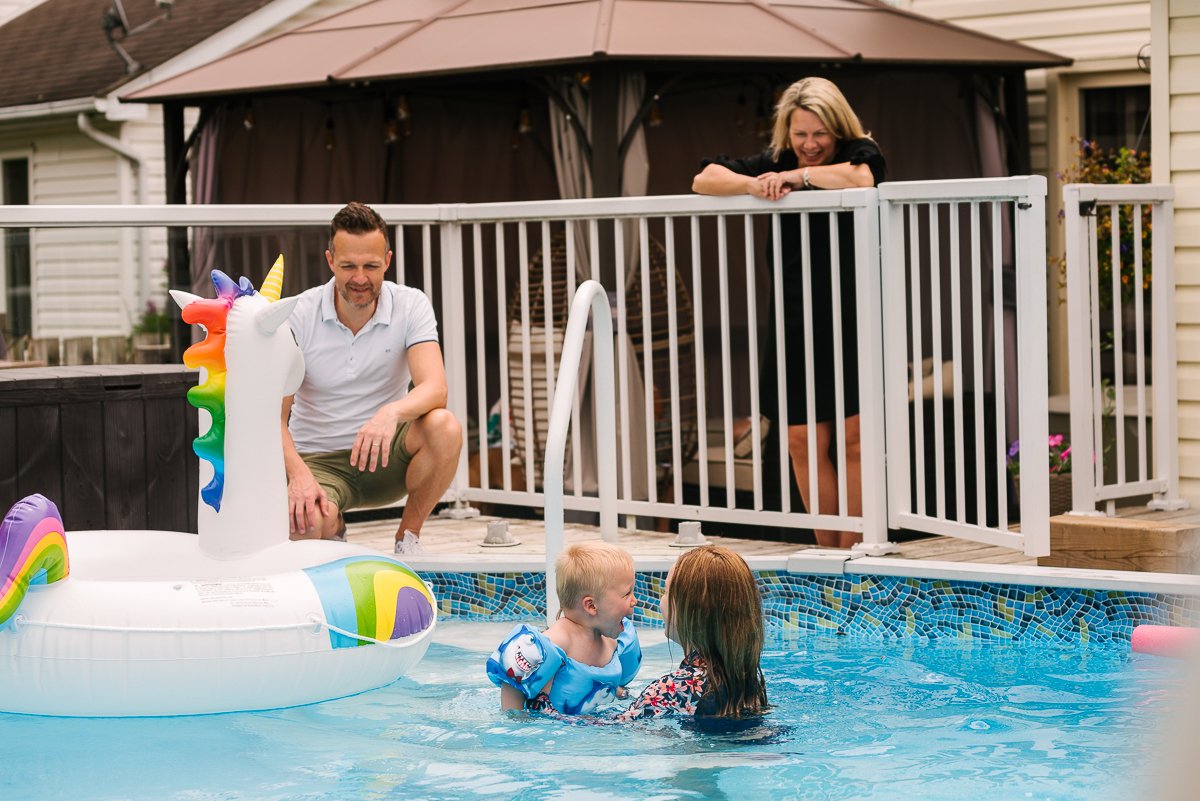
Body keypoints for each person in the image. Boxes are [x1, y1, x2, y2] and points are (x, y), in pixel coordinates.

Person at [692, 77, 886, 548]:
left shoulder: (859, 152)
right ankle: (831, 552)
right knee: (800, 441)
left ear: (836, 129)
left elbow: (861, 179)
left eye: (819, 134)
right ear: (787, 131)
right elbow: (703, 179)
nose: (810, 144)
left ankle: (858, 552)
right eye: (801, 134)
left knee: (853, 439)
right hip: (793, 320)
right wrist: (757, 183)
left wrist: (797, 179)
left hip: (851, 315)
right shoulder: (777, 160)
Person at [282, 201, 462, 555]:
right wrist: (299, 477)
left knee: (445, 427)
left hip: (386, 456)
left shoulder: (411, 304)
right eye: (348, 266)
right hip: (318, 461)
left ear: (388, 262)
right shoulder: (298, 314)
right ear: (330, 261)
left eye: (371, 266)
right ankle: (333, 526)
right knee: (304, 528)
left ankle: (407, 540)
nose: (360, 278)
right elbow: (273, 418)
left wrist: (390, 414)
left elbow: (435, 388)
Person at [486, 541, 642, 715]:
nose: (635, 600)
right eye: (627, 593)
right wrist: (516, 720)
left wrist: (619, 691)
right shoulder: (556, 643)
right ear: (591, 605)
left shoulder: (613, 642)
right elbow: (513, 686)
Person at [615, 545, 767, 721]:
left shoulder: (669, 689)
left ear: (691, 612)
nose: (660, 601)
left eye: (665, 591)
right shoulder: (747, 680)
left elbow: (615, 728)